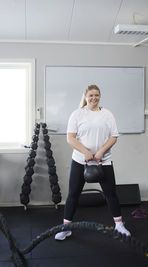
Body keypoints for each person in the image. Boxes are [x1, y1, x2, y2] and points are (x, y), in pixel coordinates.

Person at [55, 84, 131, 240]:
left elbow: (114, 136)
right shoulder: (77, 114)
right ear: (85, 96)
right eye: (91, 95)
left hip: (104, 161)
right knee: (73, 194)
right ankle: (66, 227)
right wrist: (86, 152)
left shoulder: (107, 114)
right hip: (80, 160)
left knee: (111, 194)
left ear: (100, 96)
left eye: (97, 95)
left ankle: (119, 225)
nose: (94, 98)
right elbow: (70, 138)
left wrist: (101, 151)